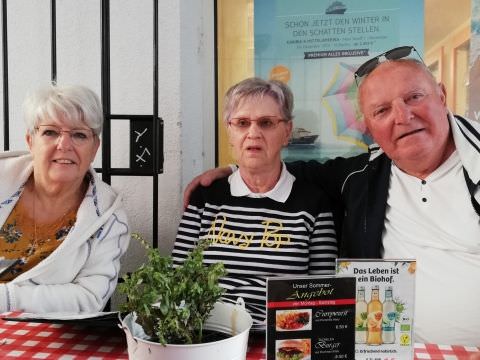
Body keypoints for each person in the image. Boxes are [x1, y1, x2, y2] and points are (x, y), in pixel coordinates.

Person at [184, 48, 480, 345]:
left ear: (441, 96)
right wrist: (233, 170)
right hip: (385, 348)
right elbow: (276, 168)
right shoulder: (363, 175)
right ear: (370, 128)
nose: (403, 116)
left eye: (414, 97)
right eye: (382, 111)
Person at [172, 77, 337, 325]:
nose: (253, 133)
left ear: (287, 132)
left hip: (281, 337)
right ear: (229, 131)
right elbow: (178, 280)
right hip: (207, 334)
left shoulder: (314, 204)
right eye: (241, 123)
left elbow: (323, 293)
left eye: (267, 123)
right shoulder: (205, 198)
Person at [0, 84, 130, 313]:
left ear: (95, 148)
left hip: (41, 338)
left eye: (79, 135)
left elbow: (89, 298)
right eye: (50, 132)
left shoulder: (109, 219)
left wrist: (8, 298)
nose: (64, 145)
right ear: (31, 140)